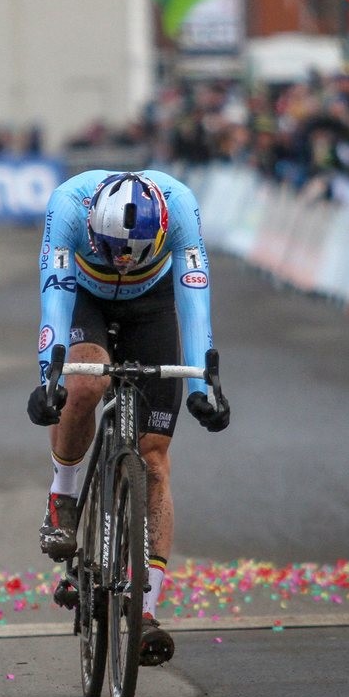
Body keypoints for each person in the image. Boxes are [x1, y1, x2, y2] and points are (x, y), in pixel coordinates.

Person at [27, 170, 231, 666]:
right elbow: (54, 296)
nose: (120, 261)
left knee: (154, 461)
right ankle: (64, 493)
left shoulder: (180, 207)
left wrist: (205, 387)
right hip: (85, 296)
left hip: (153, 301)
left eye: (130, 252)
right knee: (86, 382)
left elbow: (195, 301)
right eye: (112, 250)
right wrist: (47, 378)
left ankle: (145, 611)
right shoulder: (69, 206)